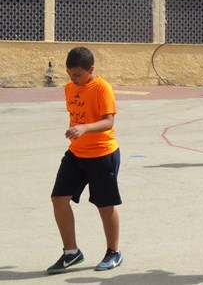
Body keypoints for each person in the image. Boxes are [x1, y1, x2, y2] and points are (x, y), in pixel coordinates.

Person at [47, 47, 124, 274]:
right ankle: (71, 253)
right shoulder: (70, 88)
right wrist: (76, 131)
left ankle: (114, 252)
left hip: (102, 154)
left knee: (104, 205)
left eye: (78, 75)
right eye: (70, 74)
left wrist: (84, 128)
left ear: (91, 70)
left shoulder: (102, 87)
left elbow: (108, 122)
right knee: (59, 199)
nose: (74, 79)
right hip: (77, 153)